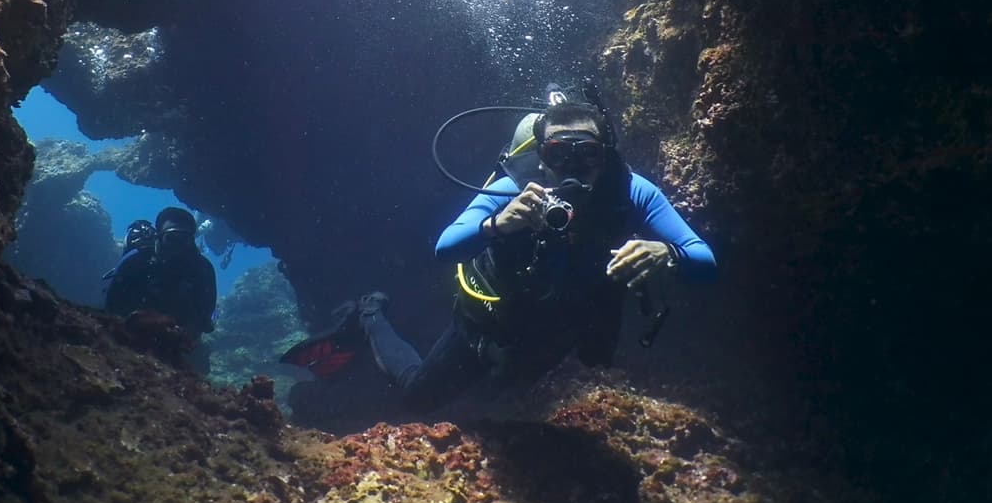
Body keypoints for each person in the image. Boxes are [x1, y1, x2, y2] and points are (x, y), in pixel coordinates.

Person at [286, 100, 715, 410]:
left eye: (586, 154)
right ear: (540, 159)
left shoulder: (631, 192)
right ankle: (369, 316)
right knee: (419, 398)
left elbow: (705, 261)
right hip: (489, 326)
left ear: (606, 157)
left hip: (564, 328)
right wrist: (498, 224)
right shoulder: (515, 188)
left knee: (508, 404)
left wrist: (668, 252)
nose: (572, 167)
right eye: (557, 154)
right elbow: (446, 246)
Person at [103, 206, 218, 339]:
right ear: (159, 237)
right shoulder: (135, 262)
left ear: (191, 242)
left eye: (183, 240)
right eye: (171, 239)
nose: (177, 247)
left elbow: (205, 318)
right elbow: (111, 306)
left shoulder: (202, 271)